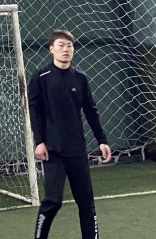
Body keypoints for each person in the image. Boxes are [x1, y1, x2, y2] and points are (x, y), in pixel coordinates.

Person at [26, 29, 112, 239]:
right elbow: (34, 111)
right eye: (61, 45)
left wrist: (102, 140)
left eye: (69, 46)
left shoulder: (80, 78)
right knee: (53, 201)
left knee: (86, 204)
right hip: (52, 151)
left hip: (77, 150)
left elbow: (90, 110)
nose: (66, 50)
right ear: (51, 49)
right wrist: (39, 141)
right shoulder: (41, 77)